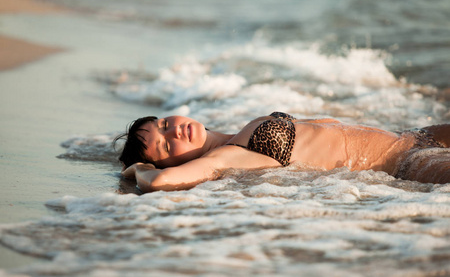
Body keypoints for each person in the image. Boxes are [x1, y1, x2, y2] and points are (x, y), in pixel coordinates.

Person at [114, 112, 450, 192]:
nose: (173, 130)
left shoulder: (233, 134)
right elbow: (161, 181)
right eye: (165, 144)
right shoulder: (226, 156)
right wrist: (140, 171)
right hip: (407, 163)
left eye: (162, 124)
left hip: (414, 138)